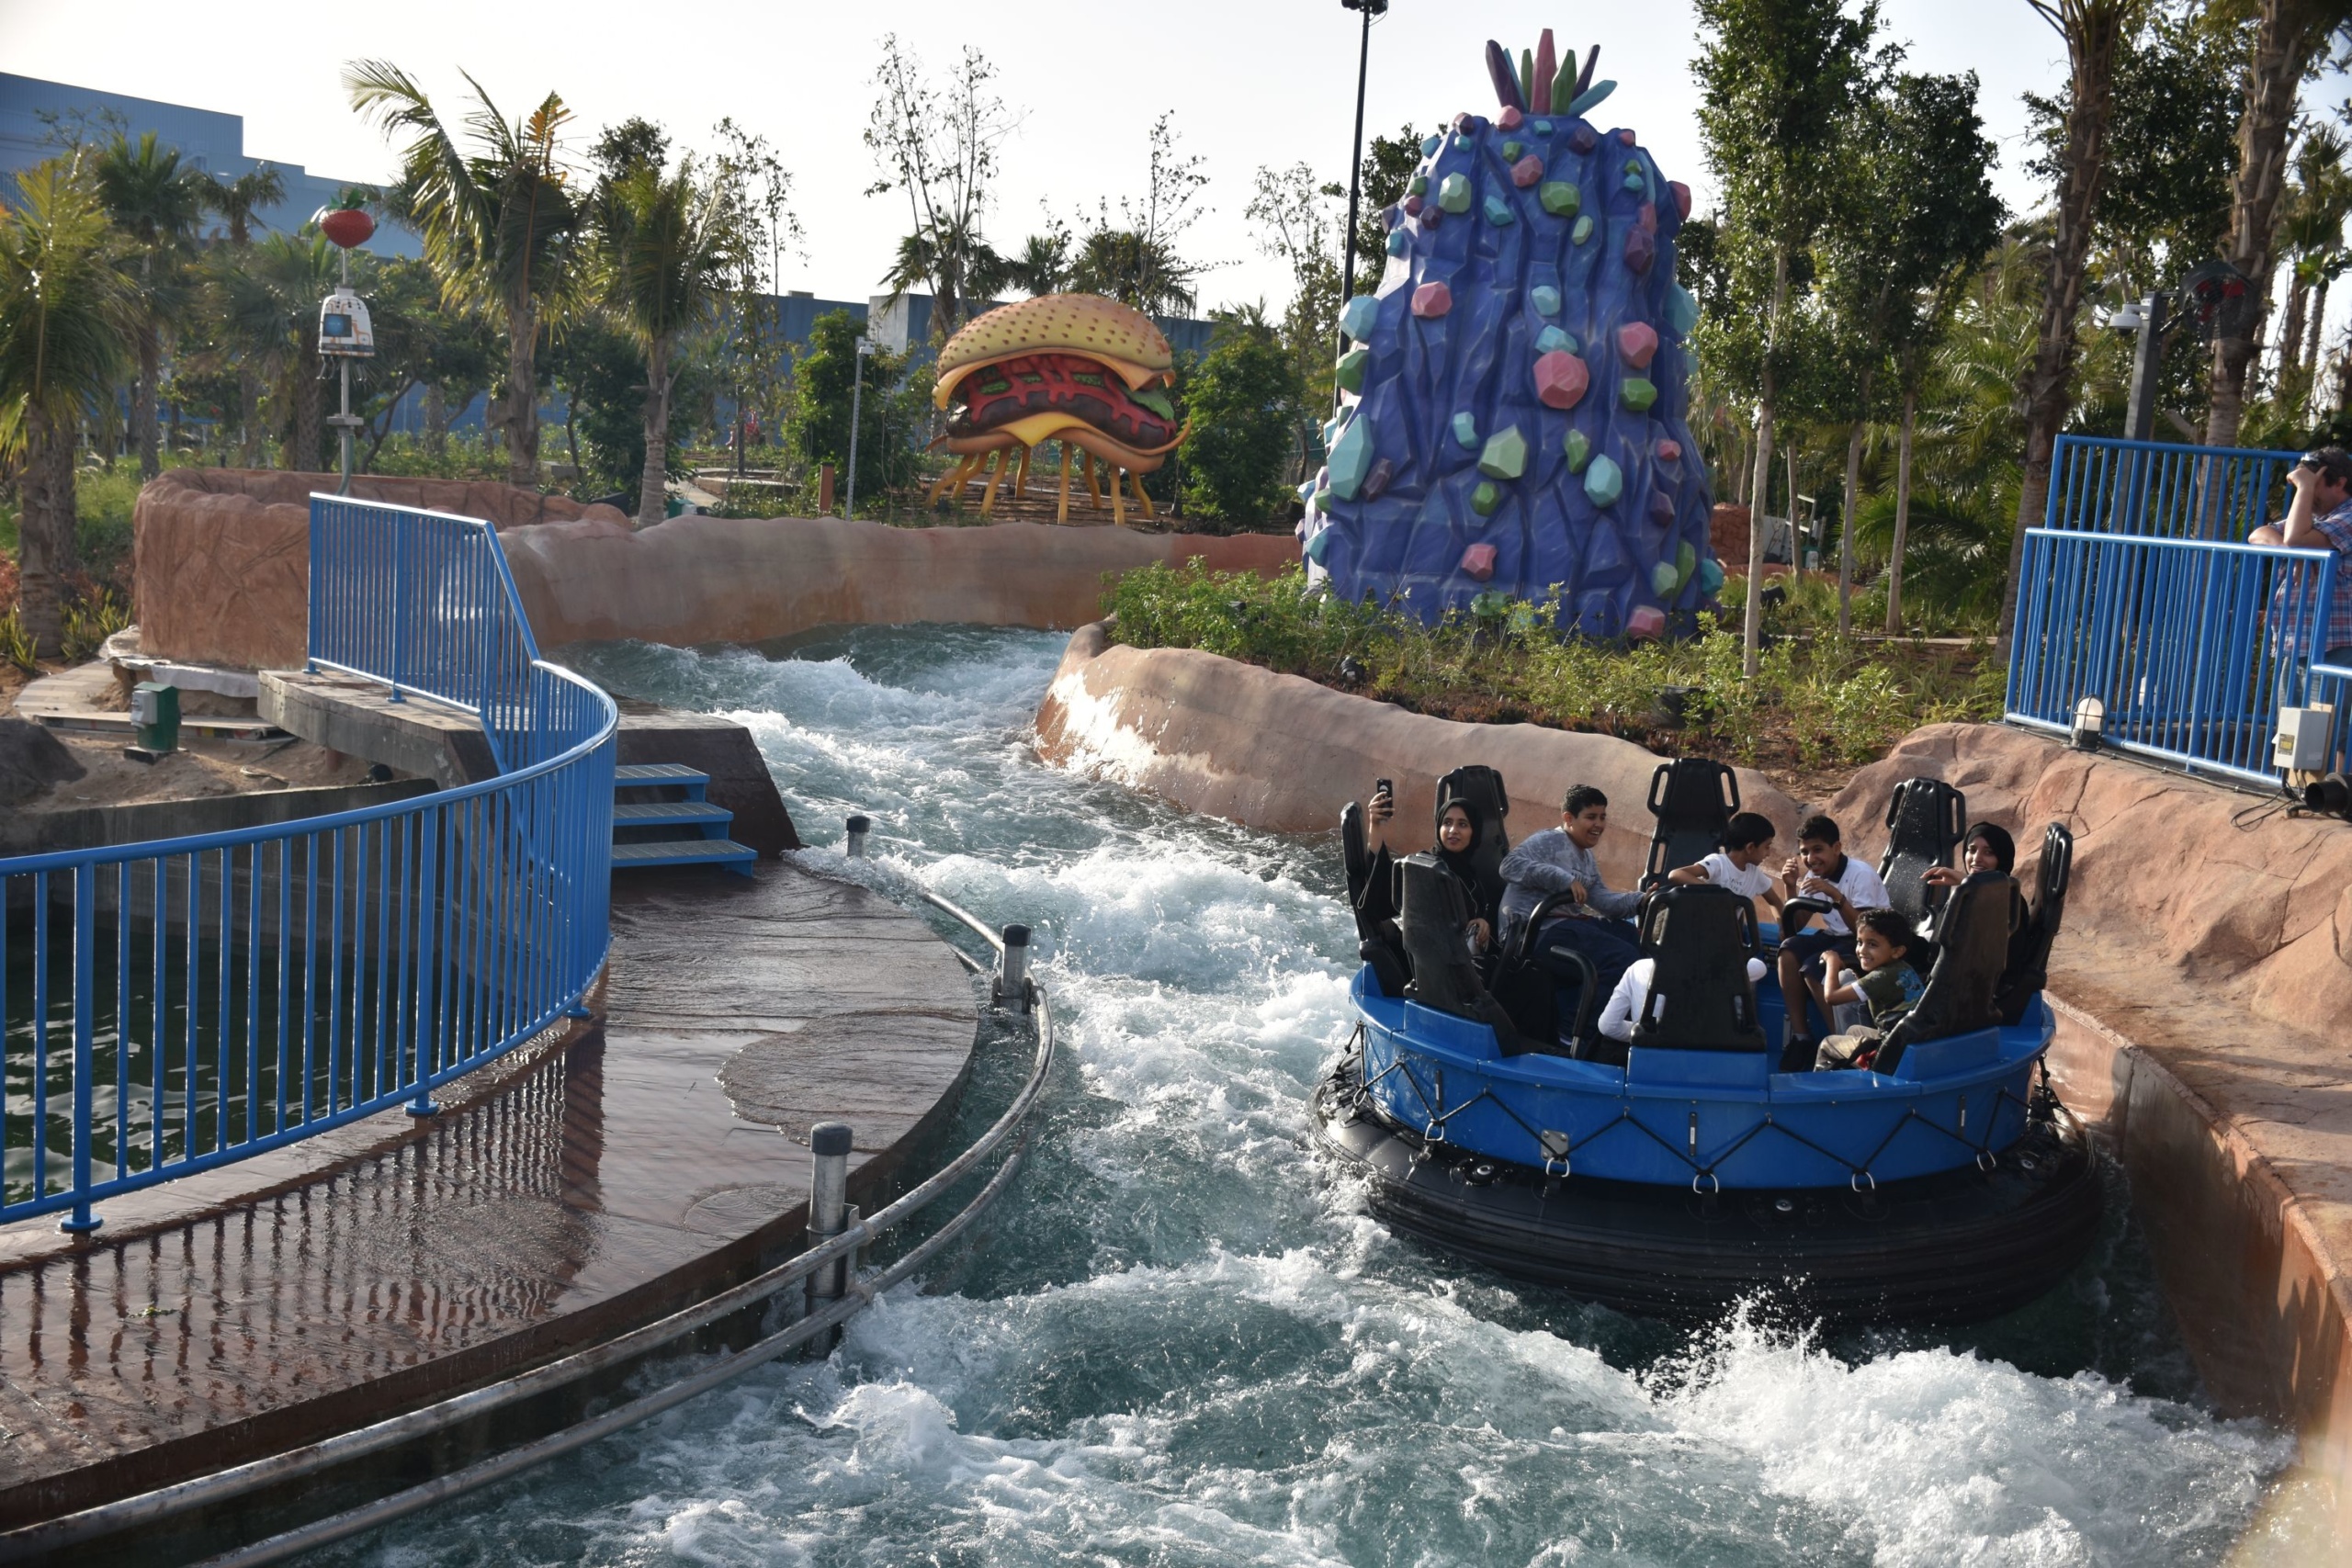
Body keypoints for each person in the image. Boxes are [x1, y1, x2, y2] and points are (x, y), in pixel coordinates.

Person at [1499, 784, 1643, 998]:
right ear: (1569, 818)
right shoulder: (1549, 841)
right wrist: (1563, 880)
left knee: (1633, 939)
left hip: (1565, 927)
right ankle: (1580, 1019)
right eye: (1591, 817)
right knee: (1621, 958)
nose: (1599, 824)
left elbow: (1603, 901)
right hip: (1532, 933)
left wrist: (1642, 901)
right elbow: (1508, 866)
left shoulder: (1587, 858)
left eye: (1602, 817)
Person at [1775, 813, 1891, 1053]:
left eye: (1817, 850)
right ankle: (1801, 1038)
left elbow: (1864, 931)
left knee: (1813, 967)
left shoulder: (1860, 874)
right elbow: (1793, 929)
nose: (1811, 858)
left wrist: (1835, 895)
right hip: (1834, 936)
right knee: (1788, 951)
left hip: (1867, 942)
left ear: (1836, 848)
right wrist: (1790, 886)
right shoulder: (1813, 875)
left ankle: (1840, 1045)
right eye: (1805, 852)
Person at [2249, 446, 2352, 693]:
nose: (2304, 494)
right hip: (2299, 644)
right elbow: (2259, 534)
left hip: (2336, 647)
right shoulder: (2314, 519)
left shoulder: (2349, 516)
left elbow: (2296, 539)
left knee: (2321, 718)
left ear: (2339, 483)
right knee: (2289, 719)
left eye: (2314, 485)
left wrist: (2304, 488)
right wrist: (2294, 555)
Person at [1367, 774, 1505, 956]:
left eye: (1462, 824)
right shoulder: (1424, 867)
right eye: (1447, 823)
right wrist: (1375, 825)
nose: (1453, 830)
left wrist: (1481, 924)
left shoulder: (1472, 875)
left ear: (1475, 832)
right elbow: (1382, 885)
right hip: (1431, 964)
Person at [1813, 909, 1928, 1071]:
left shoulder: (1881, 976)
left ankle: (1821, 1086)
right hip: (1904, 1041)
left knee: (1827, 1044)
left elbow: (1832, 997)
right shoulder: (1902, 968)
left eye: (1872, 944)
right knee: (1854, 1030)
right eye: (1860, 942)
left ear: (1897, 951)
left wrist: (1832, 962)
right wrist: (1857, 971)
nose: (1862, 950)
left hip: (1890, 1050)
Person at [1599, 955, 1770, 1043]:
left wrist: (1642, 1030)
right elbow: (1760, 967)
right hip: (1714, 1063)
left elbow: (1607, 1026)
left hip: (1649, 1066)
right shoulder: (1719, 967)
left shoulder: (1637, 969)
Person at [1666, 811, 1783, 914]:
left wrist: (1782, 927)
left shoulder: (1755, 874)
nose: (1768, 853)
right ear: (1750, 847)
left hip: (1727, 932)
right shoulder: (1719, 863)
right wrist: (1714, 893)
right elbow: (1676, 874)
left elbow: (1776, 902)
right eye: (1767, 847)